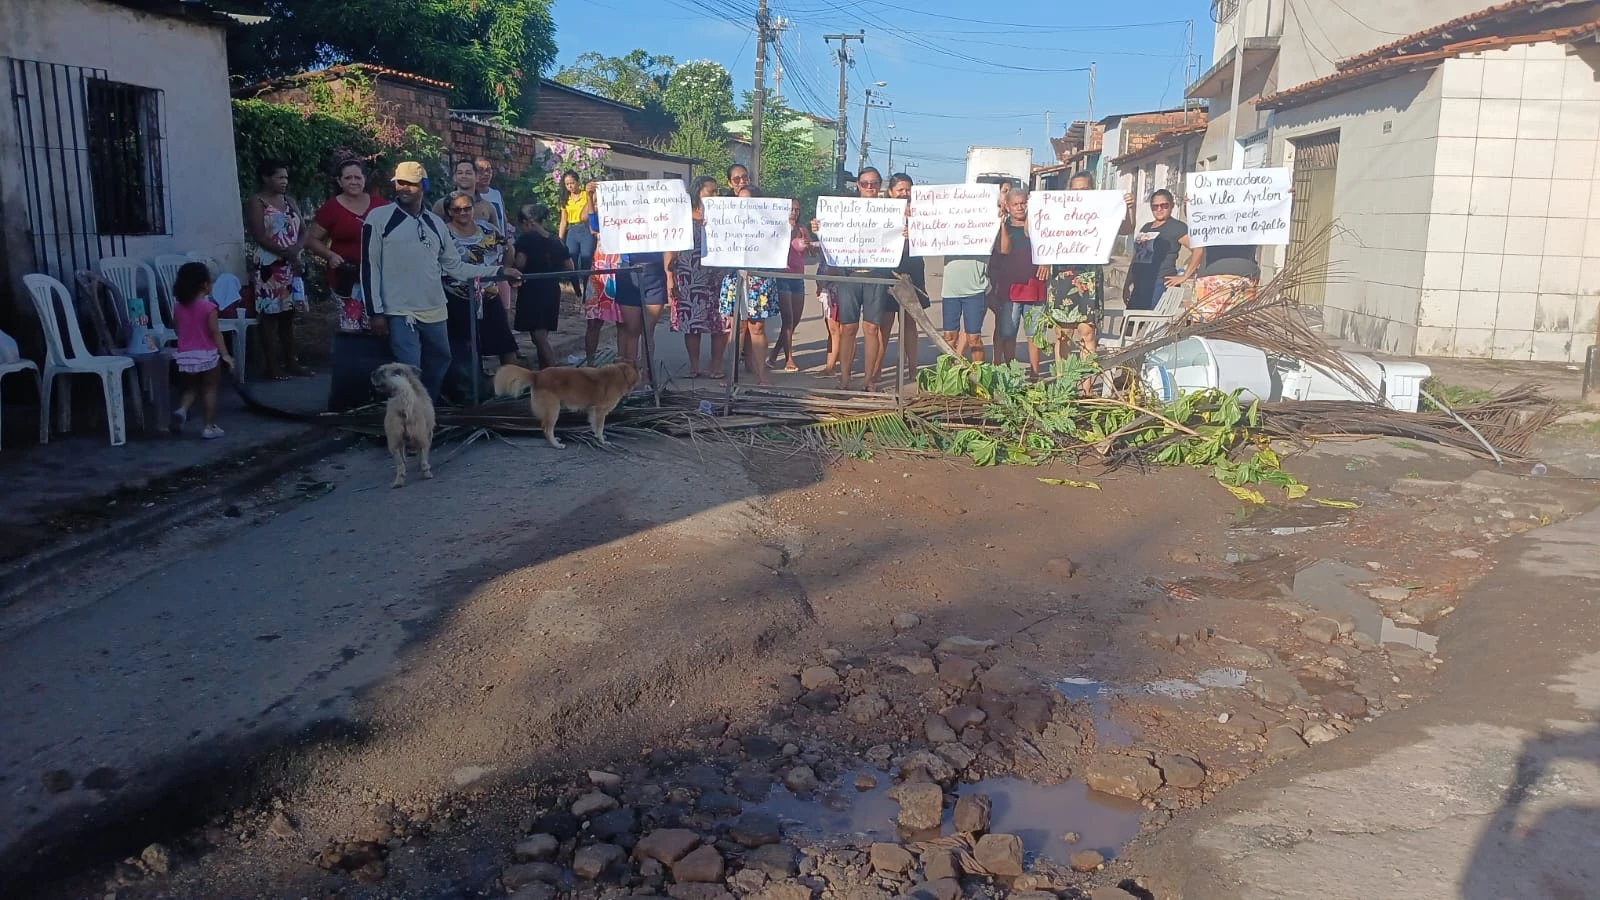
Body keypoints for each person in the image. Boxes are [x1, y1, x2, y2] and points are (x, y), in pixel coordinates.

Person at [362, 162, 519, 404]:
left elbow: (456, 267)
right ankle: (411, 418)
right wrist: (376, 312)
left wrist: (498, 271)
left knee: (442, 359)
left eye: (411, 184)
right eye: (400, 183)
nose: (404, 188)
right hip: (400, 310)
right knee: (408, 368)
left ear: (423, 185)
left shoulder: (435, 224)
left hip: (435, 309)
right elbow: (370, 266)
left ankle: (427, 408)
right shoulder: (379, 218)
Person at [1035, 172, 1137, 361]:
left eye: (1084, 190)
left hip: (1088, 278)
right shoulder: (1058, 210)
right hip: (1062, 277)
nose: (1079, 194)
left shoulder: (1103, 209)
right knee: (1062, 335)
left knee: (1087, 333)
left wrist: (1129, 208)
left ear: (1093, 190)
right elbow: (1034, 230)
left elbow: (1127, 229)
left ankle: (1085, 387)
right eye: (1075, 190)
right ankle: (1063, 383)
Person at [813, 166, 896, 391]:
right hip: (847, 275)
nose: (870, 187)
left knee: (871, 328)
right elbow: (829, 232)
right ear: (858, 185)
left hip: (875, 275)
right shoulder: (843, 210)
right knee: (848, 328)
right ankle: (845, 378)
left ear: (880, 186)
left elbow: (898, 237)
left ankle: (869, 380)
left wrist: (904, 231)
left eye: (874, 183)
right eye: (865, 183)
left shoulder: (890, 211)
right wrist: (819, 228)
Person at [441, 189, 519, 400]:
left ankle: (514, 390)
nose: (464, 212)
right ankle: (473, 395)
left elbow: (508, 247)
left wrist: (506, 270)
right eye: (458, 209)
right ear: (449, 211)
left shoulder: (486, 228)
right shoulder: (443, 232)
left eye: (467, 208)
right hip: (457, 297)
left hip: (488, 294)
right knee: (467, 347)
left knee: (505, 343)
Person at [245, 159, 310, 380]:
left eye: (286, 178)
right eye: (279, 177)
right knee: (269, 317)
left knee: (288, 316)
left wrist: (296, 251)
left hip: (291, 266)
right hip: (269, 267)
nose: (284, 182)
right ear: (266, 178)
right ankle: (271, 366)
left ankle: (292, 362)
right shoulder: (257, 202)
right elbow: (259, 235)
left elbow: (303, 230)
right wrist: (285, 252)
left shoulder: (290, 201)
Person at [664, 175, 727, 379]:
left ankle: (715, 366)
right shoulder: (682, 216)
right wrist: (670, 277)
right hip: (689, 275)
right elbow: (671, 247)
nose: (715, 195)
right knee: (692, 323)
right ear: (699, 191)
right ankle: (694, 366)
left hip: (717, 276)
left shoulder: (723, 216)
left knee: (720, 322)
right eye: (711, 191)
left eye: (717, 191)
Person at [169, 262, 234, 440]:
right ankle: (209, 426)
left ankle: (182, 409)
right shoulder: (209, 308)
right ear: (204, 285)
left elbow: (177, 329)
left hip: (185, 356)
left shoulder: (178, 307)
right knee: (209, 389)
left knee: (192, 387)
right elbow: (215, 332)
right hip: (207, 355)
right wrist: (225, 355)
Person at [992, 187, 1047, 373]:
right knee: (1008, 334)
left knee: (1035, 335)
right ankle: (1011, 372)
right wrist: (1001, 223)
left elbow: (1051, 249)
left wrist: (1046, 262)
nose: (1020, 207)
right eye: (1015, 204)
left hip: (1036, 288)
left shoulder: (1041, 226)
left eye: (1023, 203)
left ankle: (1035, 374)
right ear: (1007, 206)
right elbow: (1003, 250)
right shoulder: (1001, 227)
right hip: (1010, 291)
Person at [512, 203, 571, 369]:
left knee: (538, 335)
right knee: (541, 332)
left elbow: (520, 264)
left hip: (532, 290)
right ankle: (545, 372)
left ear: (526, 223)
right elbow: (569, 267)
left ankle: (554, 373)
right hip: (552, 288)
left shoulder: (526, 239)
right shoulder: (555, 240)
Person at [887, 172, 927, 378]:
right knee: (885, 320)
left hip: (912, 267)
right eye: (900, 190)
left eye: (907, 189)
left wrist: (915, 227)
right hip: (887, 268)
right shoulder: (880, 212)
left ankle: (912, 368)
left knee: (910, 321)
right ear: (890, 192)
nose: (904, 193)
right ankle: (877, 369)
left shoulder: (921, 212)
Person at [1126, 189, 1190, 311]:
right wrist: (1127, 284)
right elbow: (1137, 257)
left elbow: (1198, 249)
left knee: (1156, 325)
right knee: (1128, 326)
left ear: (1171, 206)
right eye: (1155, 206)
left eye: (1164, 205)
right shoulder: (1146, 227)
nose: (1159, 209)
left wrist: (1184, 276)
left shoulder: (1177, 227)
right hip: (1141, 285)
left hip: (1162, 283)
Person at [767, 199, 812, 373]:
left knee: (795, 321)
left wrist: (809, 245)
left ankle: (773, 355)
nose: (794, 212)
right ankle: (789, 359)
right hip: (782, 276)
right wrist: (788, 231)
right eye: (791, 209)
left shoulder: (802, 230)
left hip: (798, 278)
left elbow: (810, 252)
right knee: (788, 319)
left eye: (797, 209)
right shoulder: (777, 229)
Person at [1181, 243, 1260, 323]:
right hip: (1244, 273)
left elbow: (1198, 248)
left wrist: (1186, 275)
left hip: (1211, 274)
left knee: (1202, 325)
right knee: (1237, 324)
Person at [941, 244, 991, 365]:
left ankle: (980, 379)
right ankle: (949, 378)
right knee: (949, 337)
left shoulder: (985, 226)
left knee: (974, 338)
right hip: (950, 290)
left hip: (975, 290)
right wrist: (913, 233)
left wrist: (1002, 226)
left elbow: (1004, 249)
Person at [585, 229, 625, 366]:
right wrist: (592, 206)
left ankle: (623, 361)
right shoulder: (601, 215)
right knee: (593, 322)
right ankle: (590, 363)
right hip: (599, 270)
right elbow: (587, 221)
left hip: (621, 268)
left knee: (624, 322)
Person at [558, 170, 593, 297]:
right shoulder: (566, 199)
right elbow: (563, 221)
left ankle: (586, 293)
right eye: (567, 184)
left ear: (577, 182)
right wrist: (560, 239)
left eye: (572, 183)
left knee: (586, 260)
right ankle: (577, 290)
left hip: (585, 229)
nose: (570, 186)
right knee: (571, 261)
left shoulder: (586, 195)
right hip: (572, 230)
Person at [431, 160, 497, 224]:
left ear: (477, 177)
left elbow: (496, 234)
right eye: (460, 173)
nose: (464, 176)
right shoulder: (441, 205)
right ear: (454, 177)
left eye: (468, 173)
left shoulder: (488, 207)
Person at [474, 157, 510, 238]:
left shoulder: (496, 194)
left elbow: (503, 218)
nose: (486, 174)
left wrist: (506, 239)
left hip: (500, 242)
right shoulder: (472, 196)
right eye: (481, 170)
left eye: (488, 170)